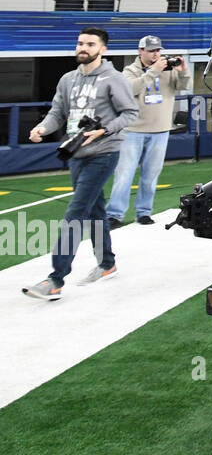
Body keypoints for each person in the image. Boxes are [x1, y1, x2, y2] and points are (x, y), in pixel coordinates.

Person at [22, 28, 138, 300]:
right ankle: (107, 264)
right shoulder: (67, 79)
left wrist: (104, 130)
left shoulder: (114, 78)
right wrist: (42, 128)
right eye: (80, 43)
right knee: (96, 211)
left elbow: (130, 112)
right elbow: (57, 112)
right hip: (75, 154)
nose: (82, 48)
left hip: (104, 153)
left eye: (89, 44)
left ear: (103, 49)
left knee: (75, 213)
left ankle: (55, 279)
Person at [106, 35, 191, 229]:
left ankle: (144, 212)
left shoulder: (167, 70)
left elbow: (184, 87)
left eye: (158, 50)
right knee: (124, 174)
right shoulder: (130, 70)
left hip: (160, 130)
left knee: (151, 174)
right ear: (141, 51)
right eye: (152, 50)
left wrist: (183, 71)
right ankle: (115, 214)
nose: (156, 54)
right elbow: (129, 89)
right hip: (133, 130)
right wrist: (153, 71)